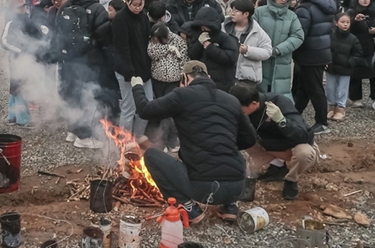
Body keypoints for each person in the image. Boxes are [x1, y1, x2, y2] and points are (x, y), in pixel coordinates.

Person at [132, 60, 256, 224]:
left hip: (202, 189)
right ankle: (230, 206)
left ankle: (187, 207)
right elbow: (250, 139)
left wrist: (137, 86)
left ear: (184, 78)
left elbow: (145, 110)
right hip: (237, 187)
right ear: (209, 77)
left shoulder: (182, 95)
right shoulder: (231, 100)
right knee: (232, 153)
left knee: (151, 155)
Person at [229, 84, 319, 201]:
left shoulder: (279, 102)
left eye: (239, 108)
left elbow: (303, 137)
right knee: (247, 140)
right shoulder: (244, 111)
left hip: (296, 147)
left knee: (304, 153)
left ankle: (291, 180)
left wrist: (282, 121)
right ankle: (277, 168)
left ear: (254, 104)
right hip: (273, 147)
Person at [52, 0, 110, 149]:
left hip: (67, 59)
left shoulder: (65, 6)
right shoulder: (98, 8)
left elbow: (57, 32)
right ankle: (84, 136)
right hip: (88, 61)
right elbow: (103, 37)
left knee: (71, 94)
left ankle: (73, 130)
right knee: (87, 96)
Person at [292, 0, 338, 135]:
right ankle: (294, 115)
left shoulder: (304, 8)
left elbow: (300, 35)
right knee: (304, 88)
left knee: (314, 89)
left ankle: (322, 122)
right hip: (322, 51)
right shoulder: (326, 6)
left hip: (308, 54)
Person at [112, 0, 152, 141]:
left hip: (143, 67)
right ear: (127, 1)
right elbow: (121, 47)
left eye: (140, 4)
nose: (137, 8)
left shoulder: (143, 17)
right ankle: (124, 141)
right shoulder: (120, 18)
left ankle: (138, 136)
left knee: (148, 104)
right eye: (134, 4)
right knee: (129, 107)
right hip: (126, 69)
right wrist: (129, 72)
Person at [253, 0, 305, 99]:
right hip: (261, 58)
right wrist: (261, 50)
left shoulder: (292, 16)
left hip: (282, 59)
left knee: (281, 95)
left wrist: (279, 49)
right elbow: (251, 32)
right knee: (259, 93)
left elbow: (298, 36)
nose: (283, 0)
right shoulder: (259, 12)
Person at [0, 0, 44, 127]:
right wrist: (20, 51)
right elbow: (3, 42)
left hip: (27, 58)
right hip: (17, 59)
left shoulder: (27, 19)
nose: (22, 9)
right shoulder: (10, 22)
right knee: (20, 88)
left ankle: (12, 116)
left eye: (24, 6)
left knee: (16, 86)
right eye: (19, 7)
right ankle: (22, 119)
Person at [147, 22, 187, 151]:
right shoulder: (153, 40)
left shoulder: (178, 40)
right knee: (159, 111)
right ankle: (159, 141)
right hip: (157, 80)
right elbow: (151, 52)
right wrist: (167, 48)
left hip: (173, 81)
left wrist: (183, 79)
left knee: (169, 112)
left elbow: (183, 60)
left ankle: (168, 142)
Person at [184, 6, 239, 92]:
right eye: (201, 26)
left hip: (222, 83)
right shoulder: (198, 36)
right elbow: (191, 55)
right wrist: (199, 43)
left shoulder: (225, 38)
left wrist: (210, 47)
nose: (203, 29)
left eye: (206, 26)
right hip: (202, 80)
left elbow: (231, 58)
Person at [222, 0, 272, 86]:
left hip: (247, 79)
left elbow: (267, 52)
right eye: (232, 10)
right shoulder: (224, 27)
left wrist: (248, 50)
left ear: (246, 14)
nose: (232, 13)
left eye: (236, 11)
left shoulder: (257, 31)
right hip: (225, 75)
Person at [325, 13, 362, 121]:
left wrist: (349, 62)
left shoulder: (353, 39)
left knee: (342, 89)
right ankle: (331, 107)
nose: (345, 24)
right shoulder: (330, 36)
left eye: (347, 22)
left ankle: (341, 109)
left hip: (346, 69)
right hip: (331, 67)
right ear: (336, 23)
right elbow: (325, 49)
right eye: (342, 22)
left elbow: (358, 53)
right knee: (330, 88)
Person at [347, 0, 375, 111]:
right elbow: (344, 27)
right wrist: (354, 21)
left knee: (374, 72)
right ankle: (355, 98)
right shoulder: (351, 12)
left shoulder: (374, 12)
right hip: (356, 47)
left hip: (372, 47)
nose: (365, 0)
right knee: (355, 73)